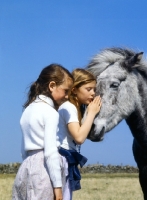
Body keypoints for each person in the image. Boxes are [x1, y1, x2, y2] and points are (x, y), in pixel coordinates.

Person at [12, 64, 73, 200]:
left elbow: (23, 150)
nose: (67, 96)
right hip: (43, 171)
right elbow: (51, 152)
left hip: (25, 169)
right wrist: (58, 187)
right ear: (52, 86)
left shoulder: (27, 110)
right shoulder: (50, 113)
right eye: (66, 91)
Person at [57, 68, 101, 199]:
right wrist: (92, 113)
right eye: (88, 89)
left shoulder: (73, 107)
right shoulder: (68, 107)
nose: (93, 93)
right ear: (74, 90)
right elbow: (79, 137)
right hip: (62, 159)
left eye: (94, 89)